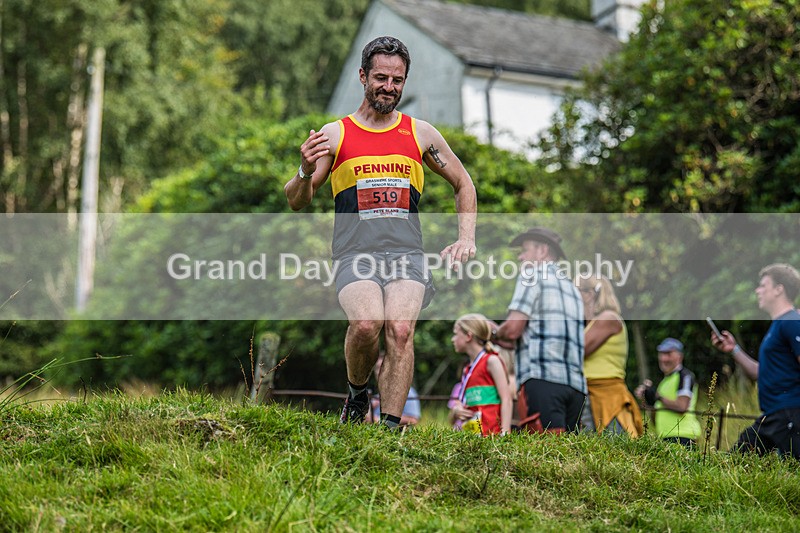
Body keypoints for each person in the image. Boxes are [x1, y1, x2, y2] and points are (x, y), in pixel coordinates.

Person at [284, 36, 477, 428]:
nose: (389, 87)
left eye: (398, 79)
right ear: (362, 76)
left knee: (402, 330)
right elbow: (297, 199)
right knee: (367, 324)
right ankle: (357, 396)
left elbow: (464, 183)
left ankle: (389, 429)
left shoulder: (420, 133)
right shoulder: (336, 134)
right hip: (355, 254)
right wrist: (304, 169)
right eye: (381, 78)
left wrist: (466, 237)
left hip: (408, 254)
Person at [491, 227, 586, 434]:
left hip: (543, 382)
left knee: (546, 456)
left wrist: (493, 333)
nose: (520, 257)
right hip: (576, 388)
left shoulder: (531, 275)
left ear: (542, 250)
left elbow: (514, 329)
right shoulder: (573, 289)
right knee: (570, 458)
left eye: (524, 250)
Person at [711, 263, 800, 459]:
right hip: (772, 417)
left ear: (779, 290)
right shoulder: (778, 327)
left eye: (763, 285)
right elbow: (762, 373)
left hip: (791, 414)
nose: (757, 290)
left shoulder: (791, 322)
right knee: (735, 461)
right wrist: (733, 349)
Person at [577, 276, 642, 437]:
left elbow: (578, 350)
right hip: (590, 394)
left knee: (615, 450)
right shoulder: (590, 324)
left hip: (607, 396)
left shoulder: (608, 318)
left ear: (589, 294)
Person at [448, 313, 513, 436]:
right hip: (474, 437)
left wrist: (505, 433)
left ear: (468, 336)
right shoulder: (467, 369)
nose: (453, 339)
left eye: (456, 334)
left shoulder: (491, 361)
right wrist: (457, 410)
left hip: (492, 436)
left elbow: (506, 398)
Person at [634, 338, 701, 447]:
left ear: (680, 357)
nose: (664, 358)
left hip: (683, 437)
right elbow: (654, 418)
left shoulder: (685, 376)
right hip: (664, 437)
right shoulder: (664, 382)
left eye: (668, 354)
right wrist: (648, 398)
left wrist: (657, 396)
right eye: (661, 354)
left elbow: (682, 406)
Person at [367, 353, 421, 427]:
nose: (379, 371)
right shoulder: (375, 398)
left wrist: (378, 420)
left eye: (383, 367)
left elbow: (412, 420)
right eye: (377, 368)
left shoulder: (408, 392)